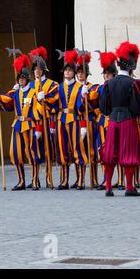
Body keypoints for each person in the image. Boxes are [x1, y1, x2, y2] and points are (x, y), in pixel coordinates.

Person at [100, 41, 140, 197]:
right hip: (128, 120)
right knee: (129, 153)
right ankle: (129, 187)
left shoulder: (109, 83)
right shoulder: (134, 83)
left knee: (110, 153)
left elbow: (104, 108)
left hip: (113, 120)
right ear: (131, 66)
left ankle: (108, 187)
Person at [0, 54, 44, 191]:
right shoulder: (15, 92)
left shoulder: (34, 92)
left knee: (32, 153)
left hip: (29, 125)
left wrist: (39, 100)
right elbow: (6, 101)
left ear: (27, 79)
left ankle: (35, 180)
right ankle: (21, 180)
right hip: (17, 125)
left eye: (23, 78)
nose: (21, 80)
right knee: (15, 153)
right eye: (19, 78)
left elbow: (39, 111)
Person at [91, 51, 126, 191]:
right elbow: (92, 106)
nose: (106, 75)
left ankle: (121, 179)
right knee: (104, 151)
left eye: (108, 73)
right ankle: (107, 179)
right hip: (102, 122)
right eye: (104, 73)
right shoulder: (98, 88)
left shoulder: (118, 86)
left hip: (116, 119)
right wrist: (86, 96)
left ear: (113, 75)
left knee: (119, 149)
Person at [55, 50, 87, 190]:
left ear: (74, 72)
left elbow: (82, 109)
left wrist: (84, 97)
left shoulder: (80, 87)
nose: (67, 72)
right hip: (61, 119)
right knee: (62, 149)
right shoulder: (59, 87)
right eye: (65, 70)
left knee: (77, 148)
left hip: (74, 119)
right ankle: (65, 180)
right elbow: (53, 104)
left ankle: (81, 180)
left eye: (69, 70)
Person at [29, 46, 58, 189]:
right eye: (34, 69)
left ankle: (49, 178)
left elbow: (56, 100)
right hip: (33, 122)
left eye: (39, 69)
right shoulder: (30, 85)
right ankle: (35, 180)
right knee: (34, 151)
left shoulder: (52, 84)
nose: (36, 71)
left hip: (46, 121)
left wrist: (45, 97)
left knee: (47, 152)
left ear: (43, 70)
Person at [76, 52, 99, 189]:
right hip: (79, 122)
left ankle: (94, 179)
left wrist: (87, 95)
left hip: (90, 121)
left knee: (92, 150)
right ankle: (81, 180)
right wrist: (81, 96)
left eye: (82, 73)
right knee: (80, 150)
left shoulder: (93, 87)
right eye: (78, 73)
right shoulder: (75, 88)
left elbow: (95, 103)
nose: (80, 75)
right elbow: (76, 107)